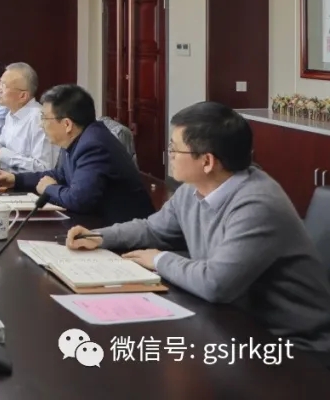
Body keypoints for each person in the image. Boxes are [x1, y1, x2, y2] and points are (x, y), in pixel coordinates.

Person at [67, 101, 330, 354]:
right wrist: (99, 237)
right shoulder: (193, 189)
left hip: (293, 345)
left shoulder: (257, 204)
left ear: (207, 161)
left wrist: (159, 259)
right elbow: (153, 229)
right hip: (232, 323)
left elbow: (216, 283)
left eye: (174, 149)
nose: (169, 155)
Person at [0, 84, 154, 224]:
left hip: (125, 234)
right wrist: (16, 179)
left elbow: (79, 200)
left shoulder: (94, 145)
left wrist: (49, 188)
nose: (41, 125)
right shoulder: (77, 137)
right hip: (97, 224)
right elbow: (59, 175)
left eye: (44, 118)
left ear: (67, 124)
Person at [0, 62, 59, 172]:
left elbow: (43, 167)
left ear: (23, 96)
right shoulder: (11, 113)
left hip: (28, 181)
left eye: (4, 86)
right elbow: (1, 141)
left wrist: (2, 154)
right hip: (11, 175)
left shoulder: (40, 118)